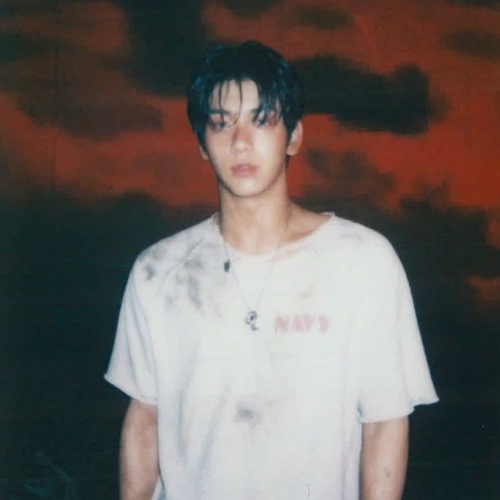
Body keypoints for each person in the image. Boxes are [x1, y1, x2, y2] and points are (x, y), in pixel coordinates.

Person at [105, 40, 438, 500]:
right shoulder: (157, 272)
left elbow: (385, 421)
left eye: (261, 120)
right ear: (201, 144)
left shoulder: (364, 262)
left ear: (294, 136)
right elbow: (145, 417)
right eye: (221, 123)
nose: (240, 141)